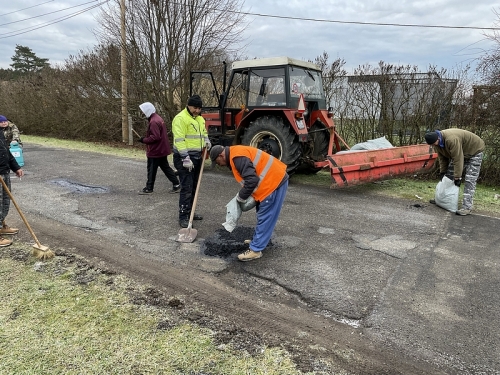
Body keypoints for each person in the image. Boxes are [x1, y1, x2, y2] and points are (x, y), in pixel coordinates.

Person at [210, 144, 289, 261]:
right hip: (272, 180)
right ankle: (259, 241)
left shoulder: (237, 157)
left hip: (273, 183)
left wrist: (241, 198)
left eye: (217, 162)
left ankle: (255, 250)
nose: (219, 165)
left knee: (265, 216)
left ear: (221, 155)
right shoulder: (236, 153)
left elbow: (252, 180)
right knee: (262, 213)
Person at [172, 95, 211, 228]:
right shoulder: (180, 118)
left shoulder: (200, 119)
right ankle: (183, 216)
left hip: (196, 156)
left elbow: (203, 132)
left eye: (199, 108)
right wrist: (185, 158)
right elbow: (179, 140)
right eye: (195, 108)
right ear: (189, 105)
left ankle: (191, 211)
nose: (197, 110)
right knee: (187, 187)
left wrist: (206, 139)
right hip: (184, 158)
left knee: (194, 186)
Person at [425, 129, 485, 216]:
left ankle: (467, 207)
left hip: (474, 151)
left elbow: (458, 159)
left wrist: (458, 177)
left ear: (438, 138)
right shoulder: (436, 143)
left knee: (470, 180)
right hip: (461, 152)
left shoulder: (451, 140)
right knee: (448, 176)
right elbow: (442, 158)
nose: (434, 146)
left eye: (434, 143)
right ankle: (442, 199)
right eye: (432, 145)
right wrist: (443, 172)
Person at [137, 102, 180, 195]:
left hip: (156, 150)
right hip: (161, 149)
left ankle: (149, 188)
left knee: (152, 169)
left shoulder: (153, 121)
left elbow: (155, 137)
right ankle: (176, 184)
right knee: (165, 168)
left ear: (147, 111)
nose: (142, 113)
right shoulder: (158, 118)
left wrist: (143, 140)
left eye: (143, 111)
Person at [0, 117, 24, 247]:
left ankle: (2, 225)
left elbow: (6, 152)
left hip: (4, 171)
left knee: (5, 201)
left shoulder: (1, 133)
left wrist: (16, 167)